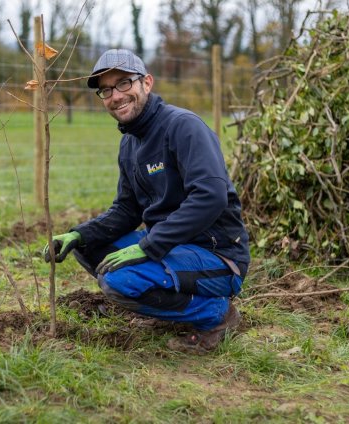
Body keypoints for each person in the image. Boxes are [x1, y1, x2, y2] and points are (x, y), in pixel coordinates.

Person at [43, 49, 250, 353]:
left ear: (147, 83)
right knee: (90, 248)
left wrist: (147, 247)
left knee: (119, 282)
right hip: (171, 246)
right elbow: (127, 210)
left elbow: (210, 197)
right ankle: (171, 306)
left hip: (217, 256)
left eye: (124, 83)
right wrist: (79, 233)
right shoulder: (130, 143)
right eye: (106, 90)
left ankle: (217, 314)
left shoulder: (183, 127)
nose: (116, 96)